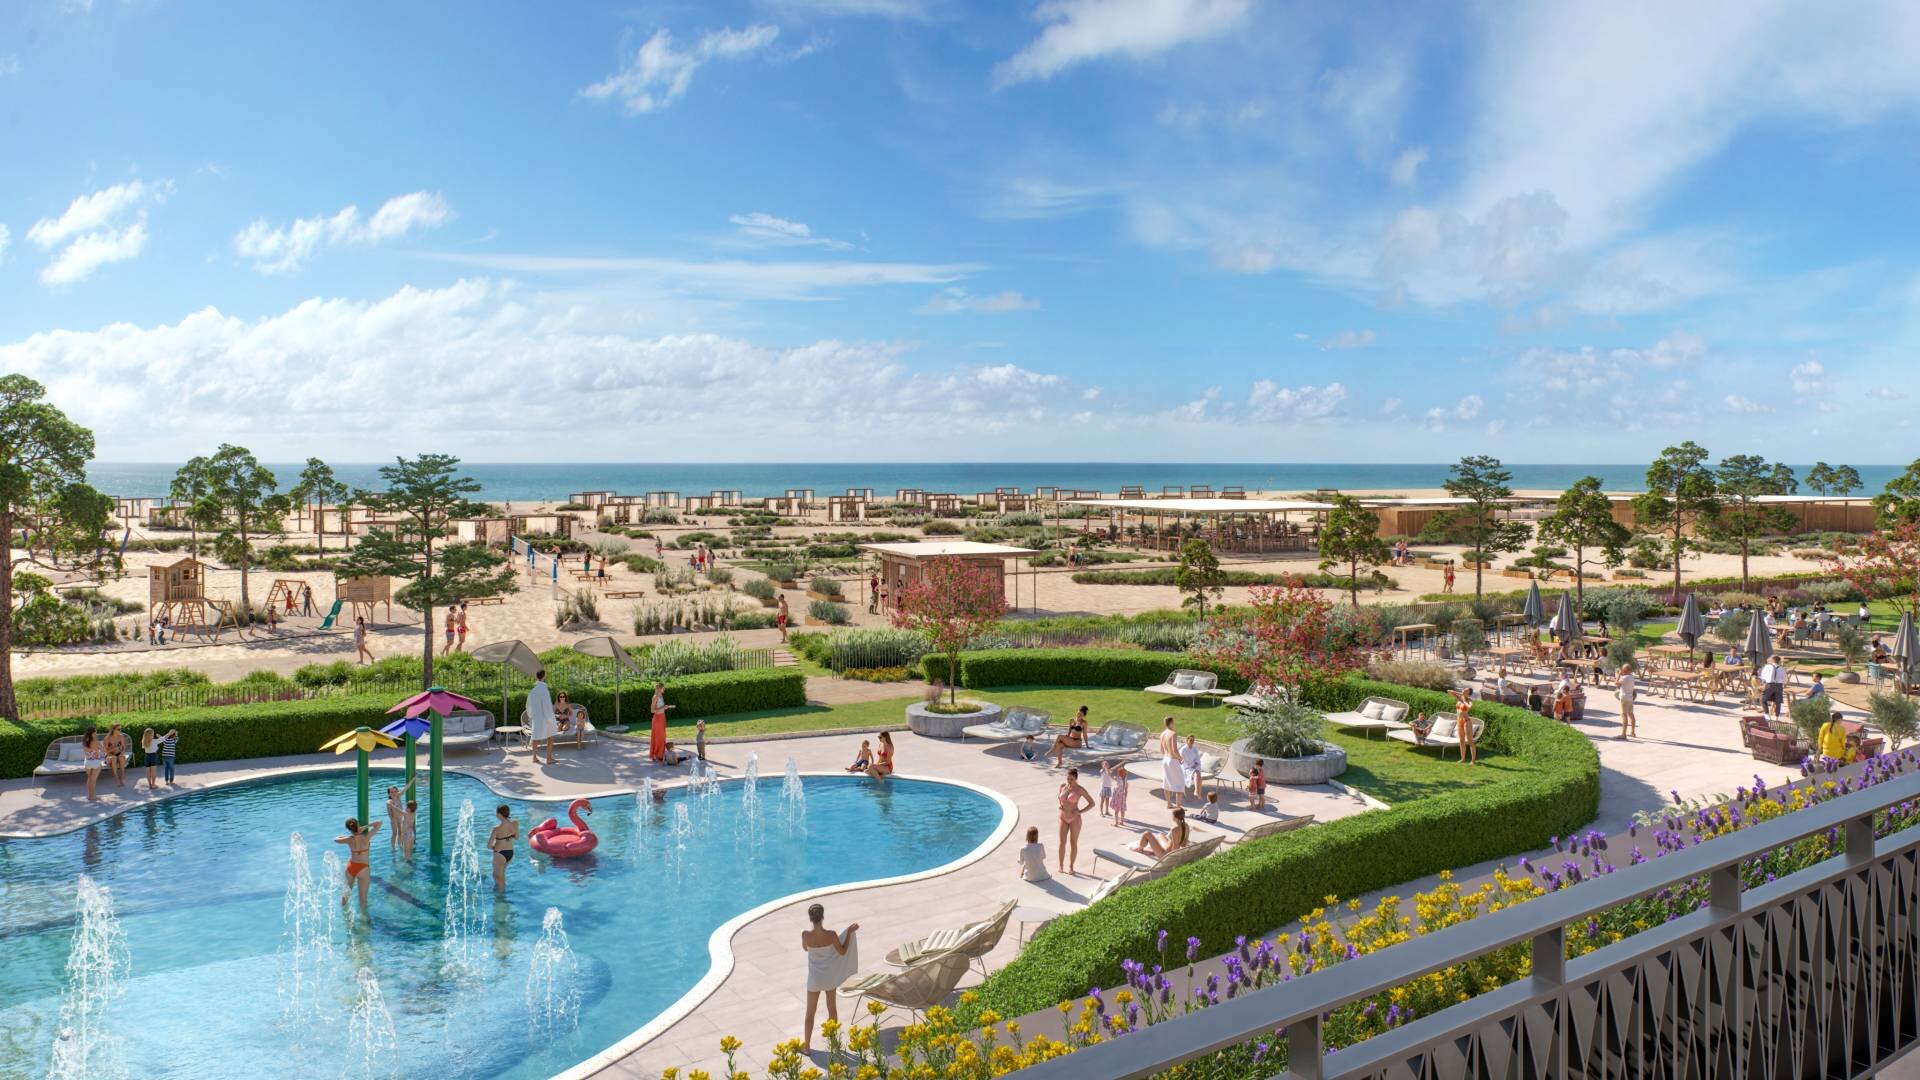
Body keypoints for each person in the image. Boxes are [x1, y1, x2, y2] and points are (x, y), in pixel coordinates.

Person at [801, 903, 858, 1053]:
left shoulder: (805, 935)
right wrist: (850, 933)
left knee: (810, 1013)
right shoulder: (831, 935)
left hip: (814, 979)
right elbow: (843, 951)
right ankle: (833, 1044)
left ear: (810, 918)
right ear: (822, 917)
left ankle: (806, 1046)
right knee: (832, 1009)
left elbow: (805, 948)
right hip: (829, 978)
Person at [335, 817, 383, 914]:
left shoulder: (349, 839)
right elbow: (379, 823)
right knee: (363, 901)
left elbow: (336, 839)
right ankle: (365, 922)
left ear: (349, 829)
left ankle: (345, 918)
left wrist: (351, 834)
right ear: (358, 826)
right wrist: (365, 827)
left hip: (351, 867)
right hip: (363, 869)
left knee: (345, 896)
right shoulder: (366, 837)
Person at [1056, 766, 1095, 875]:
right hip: (1062, 817)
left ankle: (1071, 867)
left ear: (1076, 779)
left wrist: (1080, 812)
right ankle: (1061, 865)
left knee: (1073, 843)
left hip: (1074, 819)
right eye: (1068, 779)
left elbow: (1092, 803)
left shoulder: (1080, 790)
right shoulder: (1063, 786)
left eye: (1071, 779)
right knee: (1062, 842)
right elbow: (1059, 798)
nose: (1069, 781)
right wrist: (1060, 804)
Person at [527, 668, 559, 765]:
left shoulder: (533, 691)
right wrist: (551, 719)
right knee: (550, 737)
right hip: (545, 718)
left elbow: (528, 705)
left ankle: (534, 758)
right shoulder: (544, 690)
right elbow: (547, 706)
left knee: (535, 737)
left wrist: (531, 716)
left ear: (536, 677)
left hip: (536, 718)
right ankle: (549, 759)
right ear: (544, 676)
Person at [487, 804, 518, 890]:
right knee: (502, 875)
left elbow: (489, 846)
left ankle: (501, 899)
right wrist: (507, 837)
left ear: (500, 814)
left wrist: (495, 847)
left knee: (496, 876)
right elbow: (517, 837)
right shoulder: (515, 823)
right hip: (510, 853)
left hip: (500, 854)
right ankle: (502, 891)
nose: (496, 815)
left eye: (496, 813)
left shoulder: (496, 829)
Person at [1157, 716, 1184, 809]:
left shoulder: (1162, 734)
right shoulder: (1173, 733)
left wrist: (1168, 756)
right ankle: (1178, 807)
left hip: (1165, 759)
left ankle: (1168, 804)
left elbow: (1161, 749)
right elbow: (1174, 750)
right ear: (1171, 723)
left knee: (1167, 782)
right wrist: (1180, 758)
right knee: (1180, 784)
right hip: (1172, 760)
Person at [1452, 686, 1478, 765]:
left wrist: (1464, 701)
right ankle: (1462, 759)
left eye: (1466, 690)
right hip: (1459, 721)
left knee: (1470, 741)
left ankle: (1473, 761)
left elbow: (1470, 707)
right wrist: (1459, 695)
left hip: (1466, 721)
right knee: (1461, 741)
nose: (1463, 690)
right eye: (1464, 689)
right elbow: (1449, 691)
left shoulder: (1469, 701)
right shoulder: (1460, 698)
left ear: (1468, 693)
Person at [648, 681, 671, 762]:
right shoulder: (655, 697)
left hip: (662, 718)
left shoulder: (661, 696)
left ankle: (660, 754)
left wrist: (665, 707)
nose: (664, 689)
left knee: (662, 737)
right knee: (658, 737)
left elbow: (661, 707)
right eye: (663, 688)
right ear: (660, 688)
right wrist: (663, 708)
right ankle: (657, 755)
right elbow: (652, 710)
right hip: (657, 719)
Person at [1616, 663, 1638, 740]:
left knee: (1624, 715)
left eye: (1624, 670)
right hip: (1630, 698)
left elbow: (1616, 684)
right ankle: (1632, 732)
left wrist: (1619, 675)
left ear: (1627, 670)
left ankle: (1623, 734)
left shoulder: (1624, 678)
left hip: (1624, 698)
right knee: (1631, 714)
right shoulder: (1632, 677)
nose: (1623, 671)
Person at [82, 729, 105, 802]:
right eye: (95, 733)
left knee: (89, 779)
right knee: (93, 780)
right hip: (96, 763)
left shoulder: (84, 742)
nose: (96, 734)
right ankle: (93, 796)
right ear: (92, 734)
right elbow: (104, 751)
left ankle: (89, 795)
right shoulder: (96, 742)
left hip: (87, 763)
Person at [1180, 733, 1204, 798]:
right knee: (1197, 774)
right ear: (1187, 740)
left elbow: (1197, 758)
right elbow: (1180, 759)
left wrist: (1196, 764)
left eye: (1193, 740)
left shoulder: (1194, 748)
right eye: (1190, 740)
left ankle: (1197, 792)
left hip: (1195, 765)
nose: (1192, 741)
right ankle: (1197, 792)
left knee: (1198, 774)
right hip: (1187, 767)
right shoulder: (1183, 749)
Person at [105, 723, 127, 788]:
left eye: (121, 729)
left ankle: (122, 778)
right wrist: (113, 749)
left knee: (121, 758)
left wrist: (122, 753)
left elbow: (123, 747)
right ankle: (116, 778)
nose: (120, 730)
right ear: (113, 730)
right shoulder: (107, 738)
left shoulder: (121, 737)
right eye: (118, 729)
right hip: (109, 755)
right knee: (114, 758)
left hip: (119, 753)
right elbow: (105, 751)